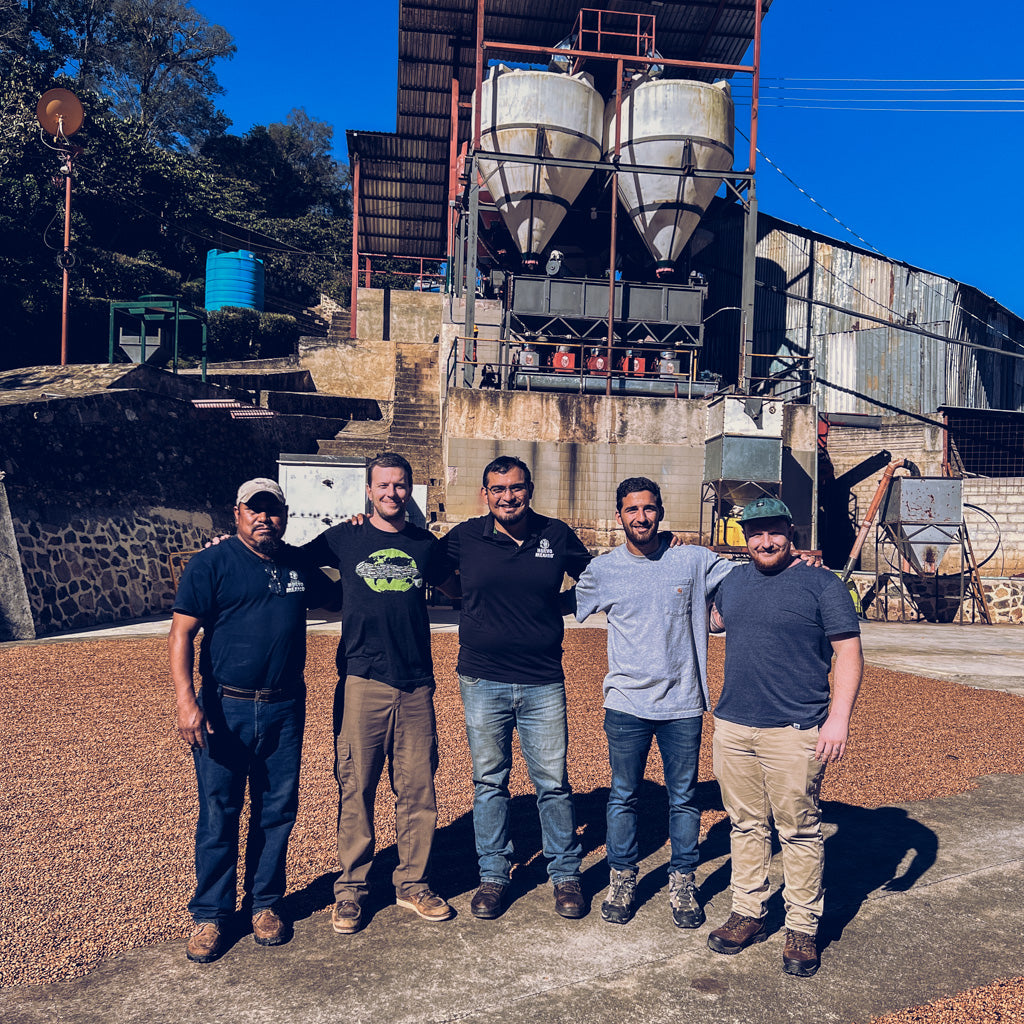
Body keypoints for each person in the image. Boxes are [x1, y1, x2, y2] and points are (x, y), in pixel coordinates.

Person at [169, 478, 337, 964]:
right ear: (237, 512)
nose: (265, 518)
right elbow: (181, 634)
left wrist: (359, 541)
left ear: (285, 515)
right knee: (220, 812)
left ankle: (265, 904)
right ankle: (211, 914)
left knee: (277, 810)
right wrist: (186, 701)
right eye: (255, 510)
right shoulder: (212, 563)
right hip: (225, 706)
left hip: (285, 706)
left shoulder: (295, 566)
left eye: (274, 510)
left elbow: (341, 598)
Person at [707, 496, 863, 978]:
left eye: (774, 531)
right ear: (745, 537)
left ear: (790, 532)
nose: (765, 541)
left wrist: (839, 718)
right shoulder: (733, 582)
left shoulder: (822, 584)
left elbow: (849, 654)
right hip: (733, 725)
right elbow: (712, 619)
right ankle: (748, 913)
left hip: (795, 729)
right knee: (746, 824)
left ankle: (801, 925)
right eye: (755, 533)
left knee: (798, 829)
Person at [299, 452, 455, 935]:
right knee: (356, 786)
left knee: (417, 789)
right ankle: (351, 890)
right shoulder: (345, 537)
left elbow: (462, 588)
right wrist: (331, 599)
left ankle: (413, 883)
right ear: (368, 491)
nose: (392, 493)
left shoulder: (424, 545)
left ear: (411, 490)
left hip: (415, 684)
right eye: (383, 486)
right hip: (363, 680)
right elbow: (295, 560)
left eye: (400, 485)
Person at [574, 477, 733, 928]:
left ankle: (683, 879)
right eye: (631, 510)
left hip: (683, 703)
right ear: (619, 515)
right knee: (623, 796)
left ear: (660, 511)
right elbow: (554, 600)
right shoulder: (605, 570)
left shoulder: (693, 559)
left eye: (648, 508)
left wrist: (795, 567)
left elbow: (744, 584)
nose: (640, 517)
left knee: (683, 799)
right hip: (626, 704)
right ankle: (623, 876)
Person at [440, 455, 591, 920]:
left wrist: (557, 606)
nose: (508, 497)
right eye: (498, 489)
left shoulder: (555, 534)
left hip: (543, 679)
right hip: (482, 678)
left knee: (552, 783)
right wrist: (466, 600)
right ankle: (493, 874)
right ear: (485, 494)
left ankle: (565, 874)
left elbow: (599, 578)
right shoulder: (466, 536)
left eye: (516, 487)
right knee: (489, 781)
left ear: (530, 488)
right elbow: (430, 571)